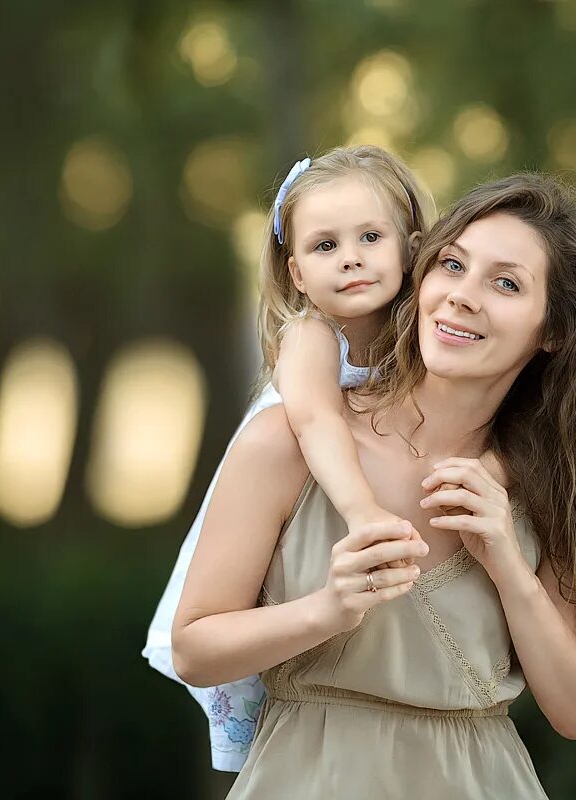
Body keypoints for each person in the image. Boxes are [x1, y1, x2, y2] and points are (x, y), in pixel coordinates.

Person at [173, 173, 576, 798]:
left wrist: (508, 562)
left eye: (506, 283)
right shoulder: (286, 440)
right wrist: (328, 609)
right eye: (451, 265)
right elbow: (194, 650)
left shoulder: (550, 484)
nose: (462, 296)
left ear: (553, 330)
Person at [142, 145, 431, 771]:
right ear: (297, 273)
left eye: (369, 236)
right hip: (275, 516)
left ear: (410, 248)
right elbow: (316, 420)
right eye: (324, 246)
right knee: (263, 692)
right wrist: (364, 512)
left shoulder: (424, 344)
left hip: (324, 524)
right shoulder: (309, 336)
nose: (350, 256)